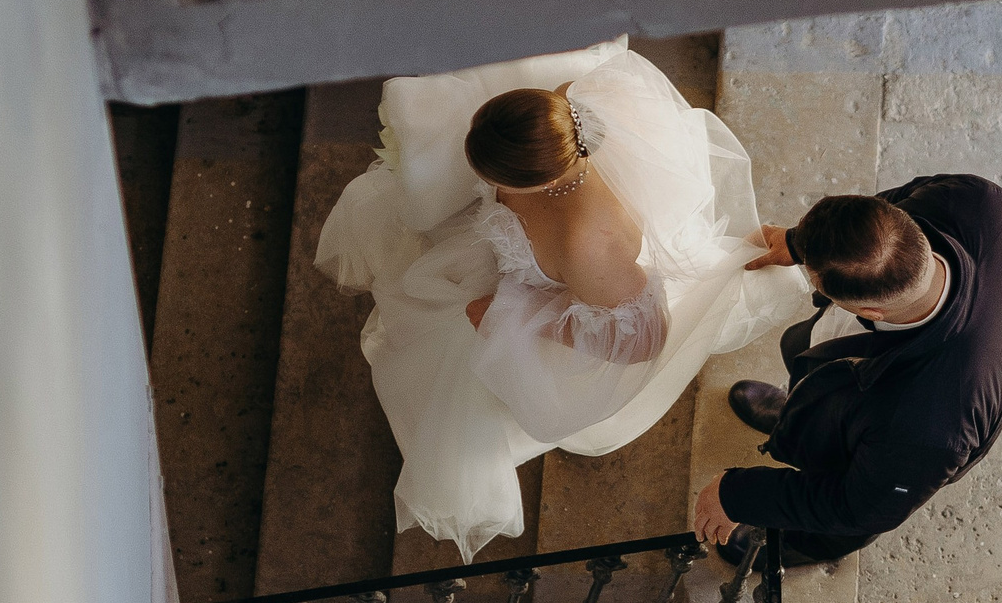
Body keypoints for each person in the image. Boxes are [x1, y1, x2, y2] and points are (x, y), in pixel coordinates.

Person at [318, 39, 811, 559]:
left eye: (493, 175)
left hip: (536, 295)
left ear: (543, 179)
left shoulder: (588, 247)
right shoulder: (560, 110)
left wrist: (517, 319)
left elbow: (640, 339)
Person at [691, 177, 1002, 566]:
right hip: (881, 395)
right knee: (807, 364)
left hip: (901, 445)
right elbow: (886, 212)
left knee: (845, 505)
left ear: (871, 313)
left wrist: (738, 494)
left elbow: (859, 506)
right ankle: (805, 418)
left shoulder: (927, 426)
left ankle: (802, 545)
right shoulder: (983, 204)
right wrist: (797, 242)